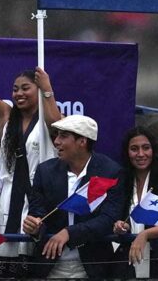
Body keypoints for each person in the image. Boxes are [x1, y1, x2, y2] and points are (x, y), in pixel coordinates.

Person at [0, 18, 63, 271]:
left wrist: (47, 87)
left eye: (25, 88)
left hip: (39, 202)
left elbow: (56, 122)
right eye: (15, 89)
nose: (18, 94)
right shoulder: (6, 115)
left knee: (35, 267)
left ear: (37, 90)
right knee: (4, 265)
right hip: (7, 199)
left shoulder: (49, 120)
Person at [22, 115, 122, 279]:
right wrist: (33, 225)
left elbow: (109, 217)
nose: (56, 142)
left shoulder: (110, 171)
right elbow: (37, 211)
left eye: (63, 136)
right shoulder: (45, 171)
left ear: (82, 141)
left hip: (93, 267)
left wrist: (70, 233)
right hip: (49, 266)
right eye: (56, 136)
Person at [112, 127, 158, 279]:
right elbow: (116, 215)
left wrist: (145, 234)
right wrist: (121, 225)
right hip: (127, 262)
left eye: (146, 148)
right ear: (127, 153)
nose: (140, 154)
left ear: (154, 150)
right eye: (134, 149)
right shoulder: (121, 180)